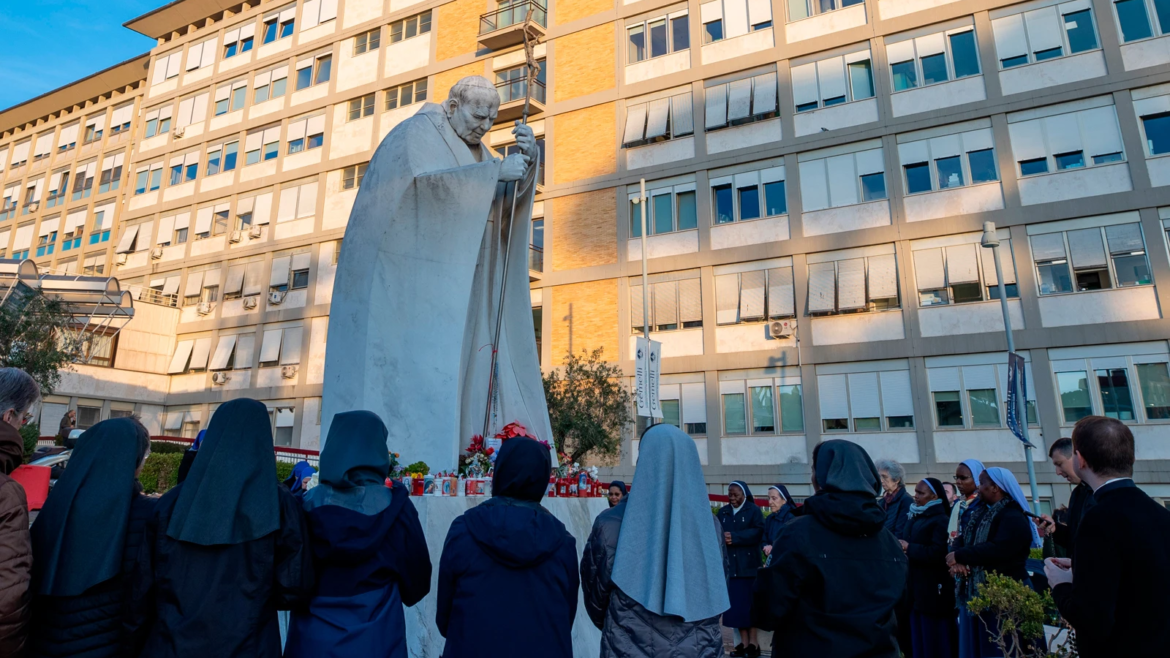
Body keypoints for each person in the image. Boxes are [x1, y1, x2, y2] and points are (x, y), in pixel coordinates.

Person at [126, 398, 314, 657]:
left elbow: (142, 589)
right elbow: (294, 589)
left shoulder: (171, 502)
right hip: (249, 645)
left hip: (171, 642)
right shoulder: (279, 504)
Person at [285, 411, 431, 658]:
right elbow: (416, 585)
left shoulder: (301, 505)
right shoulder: (398, 508)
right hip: (378, 640)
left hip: (312, 641)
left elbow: (288, 580)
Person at [580, 424, 728, 658]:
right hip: (700, 648)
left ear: (644, 460)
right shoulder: (711, 526)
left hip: (627, 645)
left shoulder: (610, 523)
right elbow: (720, 587)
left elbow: (596, 596)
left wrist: (621, 625)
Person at [761, 440, 908, 658]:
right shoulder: (889, 541)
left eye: (813, 469)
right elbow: (900, 610)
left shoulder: (796, 533)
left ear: (820, 477)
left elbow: (767, 609)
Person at [436, 436, 578, 657]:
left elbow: (444, 616)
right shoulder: (563, 543)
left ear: (500, 471)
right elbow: (565, 617)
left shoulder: (463, 530)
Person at [1044, 416, 1170, 658]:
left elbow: (1091, 618)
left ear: (1080, 460)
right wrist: (1081, 568)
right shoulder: (1159, 513)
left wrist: (1060, 584)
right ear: (1130, 458)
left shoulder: (1098, 519)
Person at [27, 417, 154, 657]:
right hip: (108, 643)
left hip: (41, 640)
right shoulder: (146, 514)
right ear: (134, 459)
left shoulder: (56, 505)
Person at [947, 467, 1041, 658]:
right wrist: (957, 557)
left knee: (1001, 648)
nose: (979, 488)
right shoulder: (980, 512)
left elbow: (999, 549)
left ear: (996, 488)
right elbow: (963, 537)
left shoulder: (1013, 516)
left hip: (1005, 595)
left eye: (982, 484)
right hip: (978, 592)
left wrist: (961, 556)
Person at [0, 368, 36, 656]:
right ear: (8, 416)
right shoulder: (6, 494)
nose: (24, 425)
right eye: (26, 418)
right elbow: (7, 603)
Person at [899, 478, 954, 658]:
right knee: (918, 640)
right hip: (915, 588)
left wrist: (909, 548)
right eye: (915, 492)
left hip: (932, 590)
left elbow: (938, 552)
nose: (916, 496)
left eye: (921, 493)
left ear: (935, 496)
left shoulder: (941, 520)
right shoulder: (915, 515)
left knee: (934, 640)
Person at [717, 481, 764, 657]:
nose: (732, 498)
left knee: (749, 608)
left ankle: (754, 643)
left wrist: (735, 537)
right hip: (732, 567)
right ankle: (742, 644)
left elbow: (758, 532)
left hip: (748, 567)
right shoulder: (723, 512)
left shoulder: (753, 510)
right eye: (730, 494)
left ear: (744, 495)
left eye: (736, 494)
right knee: (737, 609)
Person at [1038, 438, 1094, 555]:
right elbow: (1074, 539)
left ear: (1077, 457)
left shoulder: (1100, 492)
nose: (1058, 472)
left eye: (1059, 464)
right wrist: (1055, 528)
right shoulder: (1077, 493)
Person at [948, 459, 985, 543]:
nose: (958, 482)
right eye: (957, 478)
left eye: (963, 478)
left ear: (977, 478)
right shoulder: (959, 504)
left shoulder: (983, 504)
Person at [876, 459, 913, 539]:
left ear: (897, 479)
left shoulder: (906, 500)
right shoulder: (882, 501)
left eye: (885, 477)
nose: (881, 480)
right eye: (880, 476)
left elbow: (901, 532)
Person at [760, 484, 793, 566]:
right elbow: (763, 538)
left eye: (774, 498)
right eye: (769, 498)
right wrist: (766, 546)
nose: (770, 502)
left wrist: (774, 548)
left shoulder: (792, 518)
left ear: (784, 500)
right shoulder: (769, 519)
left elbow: (792, 543)